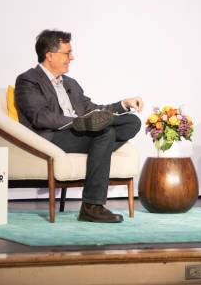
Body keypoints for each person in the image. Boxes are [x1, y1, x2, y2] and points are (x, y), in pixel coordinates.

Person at [15, 30, 143, 223]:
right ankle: (91, 206)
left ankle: (96, 128)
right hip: (55, 137)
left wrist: (123, 104)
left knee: (132, 122)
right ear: (50, 55)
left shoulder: (70, 83)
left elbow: (92, 109)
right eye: (67, 53)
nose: (71, 58)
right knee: (105, 133)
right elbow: (40, 117)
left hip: (83, 132)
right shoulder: (28, 80)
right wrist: (78, 123)